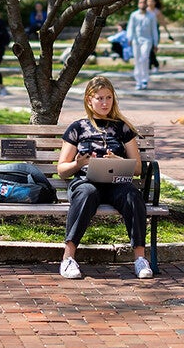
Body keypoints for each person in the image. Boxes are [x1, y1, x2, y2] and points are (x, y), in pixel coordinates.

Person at [55, 76, 154, 280]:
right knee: (87, 193)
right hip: (86, 182)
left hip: (117, 182)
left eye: (108, 98)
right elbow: (62, 169)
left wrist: (118, 160)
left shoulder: (122, 128)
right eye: (100, 98)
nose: (105, 103)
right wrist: (78, 164)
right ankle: (68, 258)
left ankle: (140, 259)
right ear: (89, 100)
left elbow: (137, 168)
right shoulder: (78, 128)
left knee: (133, 196)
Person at [126, 0, 160, 92]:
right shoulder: (134, 15)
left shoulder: (152, 16)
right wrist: (129, 38)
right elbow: (130, 27)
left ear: (146, 4)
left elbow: (154, 30)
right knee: (137, 60)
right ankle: (138, 81)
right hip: (136, 41)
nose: (142, 4)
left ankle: (145, 79)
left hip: (147, 40)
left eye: (144, 2)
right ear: (138, 4)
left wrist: (155, 43)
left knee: (144, 58)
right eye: (140, 2)